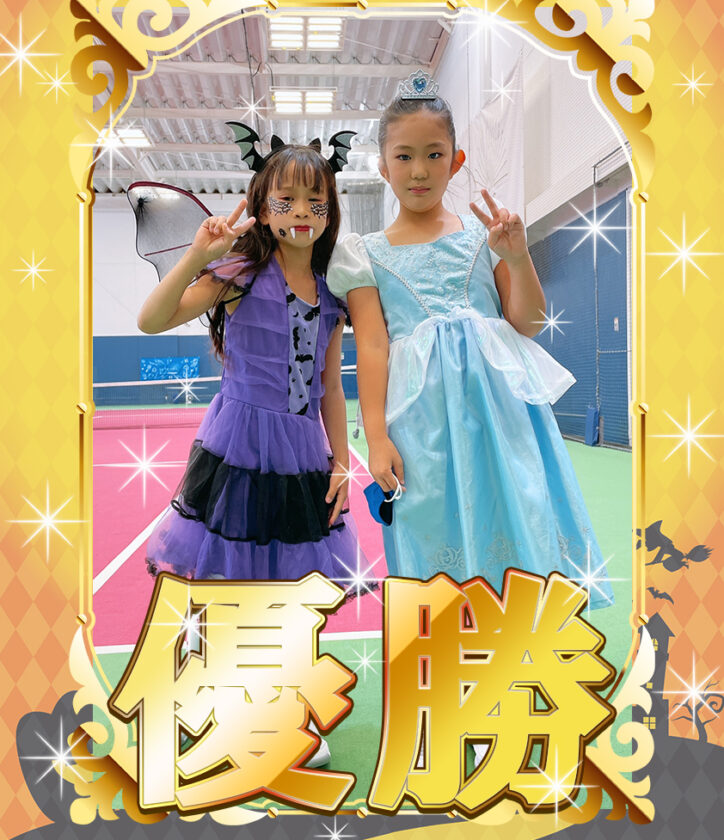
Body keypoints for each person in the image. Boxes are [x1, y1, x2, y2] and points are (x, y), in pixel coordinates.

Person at [327, 76, 613, 608]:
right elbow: (372, 347)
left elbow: (528, 322)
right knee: (430, 522)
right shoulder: (364, 253)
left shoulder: (487, 236)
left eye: (434, 154)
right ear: (383, 166)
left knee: (518, 508)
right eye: (404, 156)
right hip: (420, 422)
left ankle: (523, 634)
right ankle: (447, 642)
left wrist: (518, 257)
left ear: (456, 162)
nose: (419, 170)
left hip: (501, 413)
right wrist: (376, 437)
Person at [138, 141, 361, 587]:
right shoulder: (239, 273)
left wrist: (341, 462)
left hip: (303, 450)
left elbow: (331, 388)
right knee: (235, 572)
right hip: (240, 445)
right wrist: (198, 258)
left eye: (315, 200)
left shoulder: (333, 295)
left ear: (329, 212)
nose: (302, 210)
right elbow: (151, 321)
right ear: (262, 207)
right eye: (287, 199)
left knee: (292, 578)